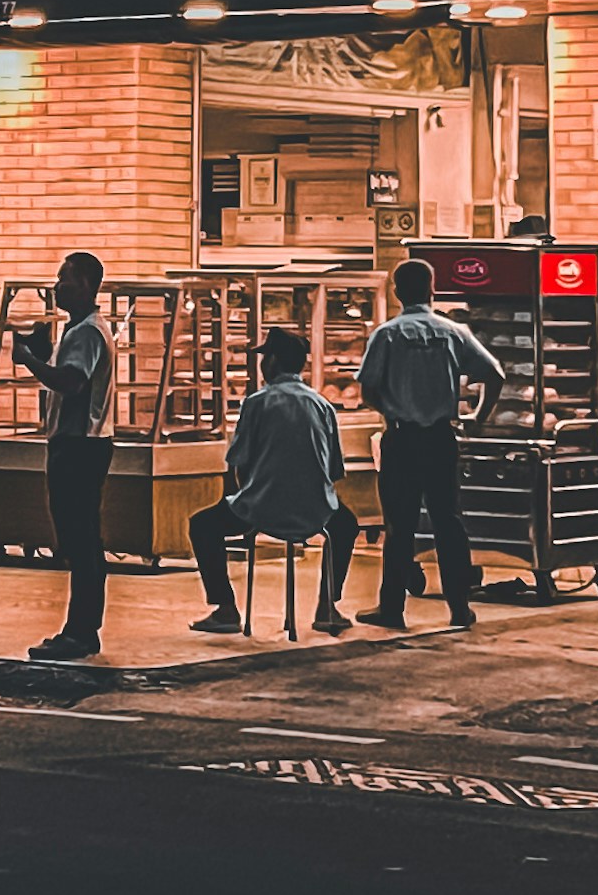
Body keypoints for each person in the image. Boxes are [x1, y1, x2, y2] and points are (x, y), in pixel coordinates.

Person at [358, 256, 503, 628]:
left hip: (402, 439)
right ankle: (459, 606)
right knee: (449, 523)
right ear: (432, 289)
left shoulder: (386, 334)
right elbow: (495, 374)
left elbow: (368, 389)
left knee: (399, 527)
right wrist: (477, 418)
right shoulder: (453, 332)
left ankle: (392, 608)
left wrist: (389, 410)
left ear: (396, 292)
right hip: (441, 438)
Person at [186, 328, 361, 635]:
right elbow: (334, 471)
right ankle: (327, 606)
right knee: (346, 525)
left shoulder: (256, 403)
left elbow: (238, 464)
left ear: (274, 362)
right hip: (316, 512)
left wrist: (243, 496)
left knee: (202, 525)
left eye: (265, 357)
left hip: (261, 510)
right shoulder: (323, 406)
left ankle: (225, 608)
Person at [10, 251, 114, 662]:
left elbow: (71, 382)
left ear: (87, 285)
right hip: (77, 444)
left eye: (65, 279)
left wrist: (29, 360)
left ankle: (81, 631)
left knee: (81, 538)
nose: (57, 287)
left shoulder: (88, 332)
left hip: (79, 446)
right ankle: (81, 627)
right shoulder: (79, 330)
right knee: (79, 537)